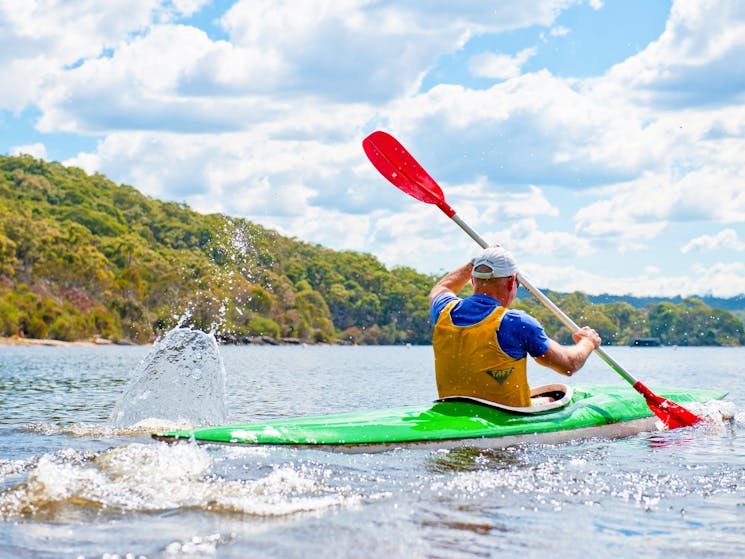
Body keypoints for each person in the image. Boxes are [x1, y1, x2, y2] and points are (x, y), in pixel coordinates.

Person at [429, 245, 601, 407]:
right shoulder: (516, 322)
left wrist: (474, 262)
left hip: (454, 413)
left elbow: (441, 288)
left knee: (547, 399)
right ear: (512, 281)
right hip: (505, 420)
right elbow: (569, 365)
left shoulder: (444, 311)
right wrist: (588, 342)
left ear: (473, 281)